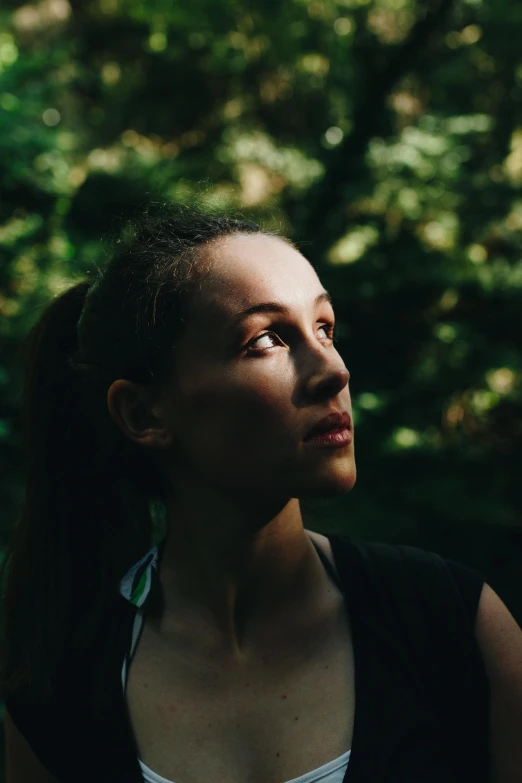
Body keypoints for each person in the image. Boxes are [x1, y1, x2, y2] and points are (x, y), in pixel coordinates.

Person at [2, 201, 522, 783]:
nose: (335, 371)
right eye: (266, 340)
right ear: (143, 412)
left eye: (324, 328)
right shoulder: (61, 685)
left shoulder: (454, 625)